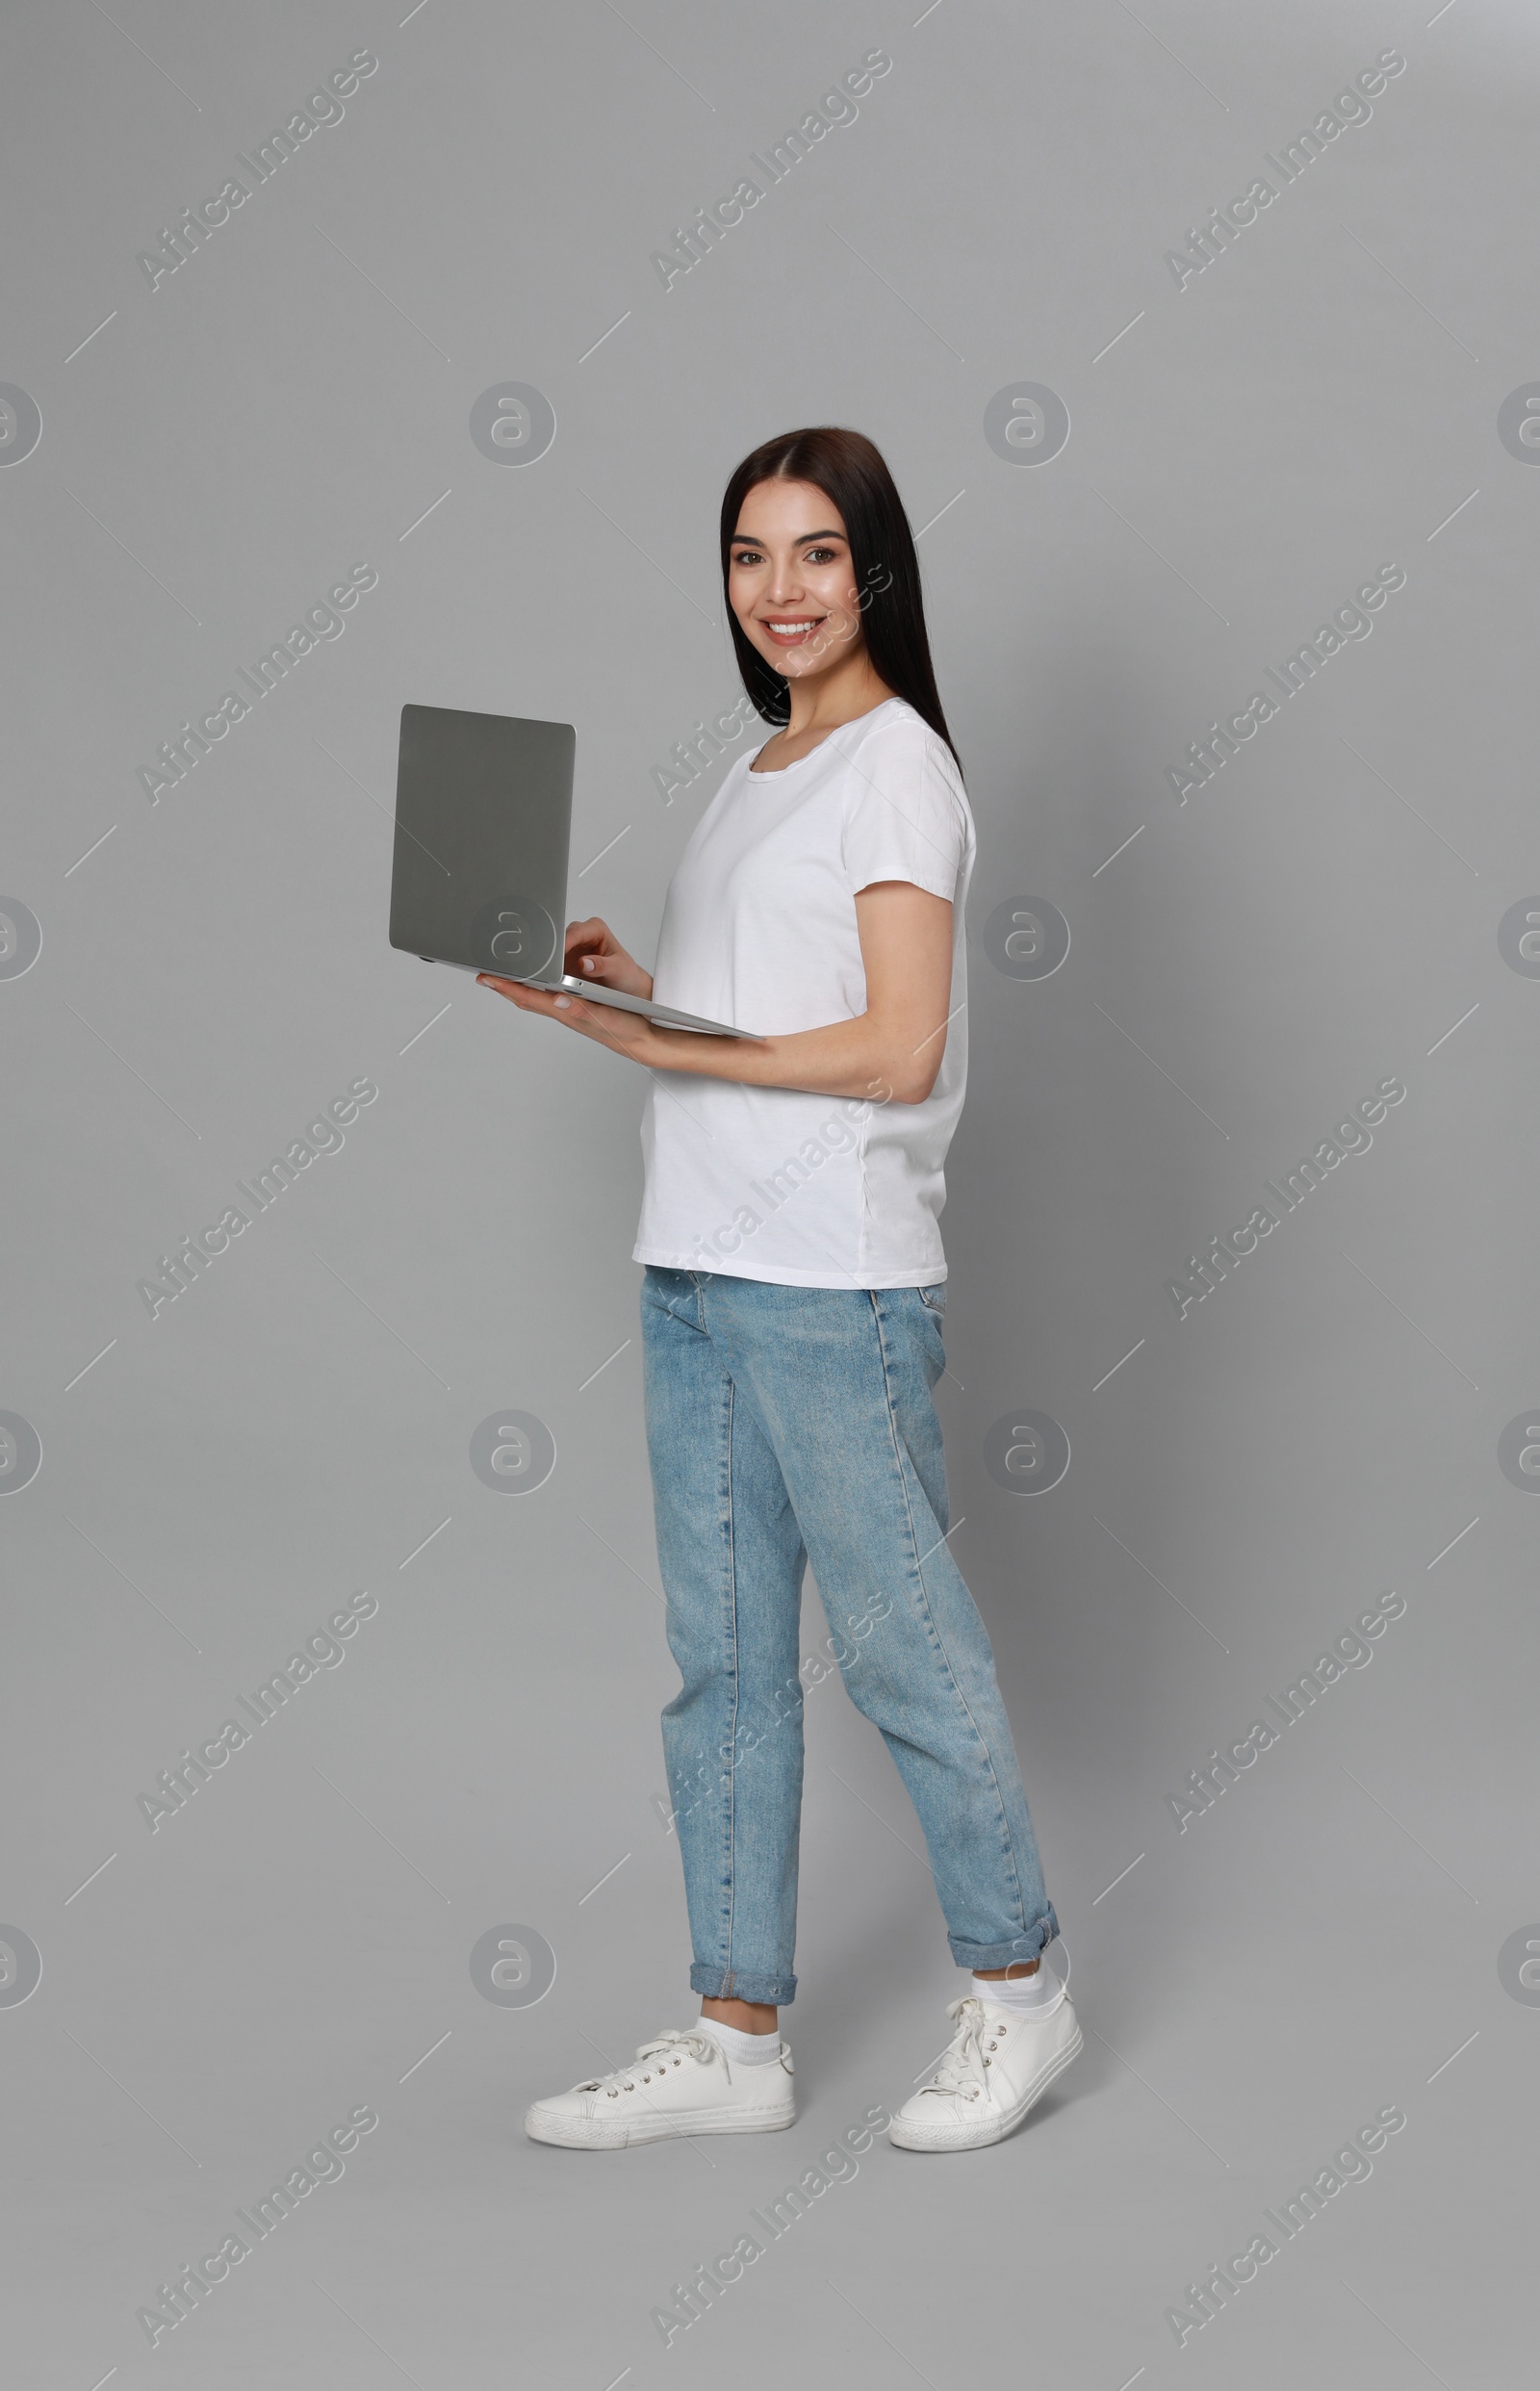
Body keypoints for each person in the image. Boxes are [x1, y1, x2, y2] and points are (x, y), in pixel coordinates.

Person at [480, 425, 1079, 2153]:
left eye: (818, 553)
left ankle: (1020, 1998)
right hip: (698, 1263)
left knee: (907, 1660)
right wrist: (626, 1000)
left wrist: (664, 1037)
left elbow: (895, 1050)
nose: (782, 590)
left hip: (832, 1285)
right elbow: (771, 1018)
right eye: (751, 556)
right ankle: (736, 2039)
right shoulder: (759, 770)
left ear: (875, 568)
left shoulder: (899, 767)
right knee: (723, 1668)